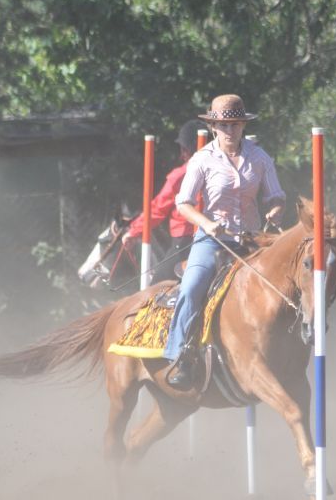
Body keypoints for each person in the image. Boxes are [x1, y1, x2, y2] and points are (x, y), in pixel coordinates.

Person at [164, 94, 286, 388]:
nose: (230, 130)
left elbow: (276, 196)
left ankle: (287, 348)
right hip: (211, 239)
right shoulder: (202, 160)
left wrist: (275, 211)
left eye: (235, 124)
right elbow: (184, 203)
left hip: (252, 239)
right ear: (214, 126)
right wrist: (207, 223)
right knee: (193, 285)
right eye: (224, 125)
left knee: (285, 282)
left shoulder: (260, 158)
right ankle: (181, 353)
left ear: (243, 125)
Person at [121, 119, 207, 284]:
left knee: (155, 288)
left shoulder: (180, 175)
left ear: (188, 149)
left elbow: (158, 209)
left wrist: (134, 231)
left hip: (186, 241)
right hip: (220, 237)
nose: (181, 155)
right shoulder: (225, 169)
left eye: (184, 149)